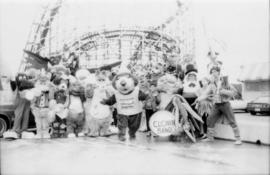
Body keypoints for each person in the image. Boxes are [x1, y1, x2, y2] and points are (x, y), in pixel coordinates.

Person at [201, 67, 242, 145]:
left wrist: (224, 92)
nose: (213, 73)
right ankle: (210, 137)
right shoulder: (211, 84)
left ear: (219, 72)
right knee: (209, 119)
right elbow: (205, 93)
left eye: (215, 71)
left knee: (232, 120)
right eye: (212, 72)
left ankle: (238, 139)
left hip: (225, 104)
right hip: (216, 105)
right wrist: (198, 99)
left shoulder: (225, 82)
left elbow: (234, 92)